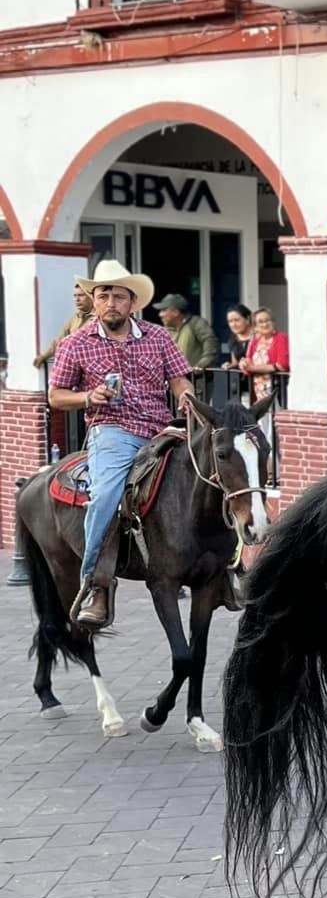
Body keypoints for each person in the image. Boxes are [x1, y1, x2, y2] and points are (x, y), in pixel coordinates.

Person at [47, 260, 192, 630]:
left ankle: (222, 568)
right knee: (106, 494)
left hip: (162, 428)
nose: (111, 301)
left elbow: (179, 380)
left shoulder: (159, 337)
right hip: (112, 430)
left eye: (119, 296)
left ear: (133, 303)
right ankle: (97, 583)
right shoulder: (75, 344)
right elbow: (56, 396)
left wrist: (186, 398)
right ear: (94, 302)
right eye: (103, 295)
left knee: (213, 472)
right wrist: (87, 397)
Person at [34, 281, 93, 368]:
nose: (77, 299)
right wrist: (44, 356)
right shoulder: (75, 318)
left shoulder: (99, 318)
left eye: (81, 295)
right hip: (75, 366)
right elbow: (60, 340)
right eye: (75, 296)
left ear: (90, 296)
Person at [156, 291, 219, 370]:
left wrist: (202, 364)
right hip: (175, 380)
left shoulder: (196, 323)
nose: (160, 314)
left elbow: (210, 341)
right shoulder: (165, 331)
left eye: (164, 310)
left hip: (197, 379)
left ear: (175, 312)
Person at [238, 307, 289, 384]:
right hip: (256, 389)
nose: (265, 324)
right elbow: (247, 368)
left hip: (276, 388)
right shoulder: (254, 342)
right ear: (255, 327)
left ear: (273, 323)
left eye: (267, 320)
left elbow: (282, 365)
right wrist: (243, 365)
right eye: (260, 322)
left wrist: (253, 368)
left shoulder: (281, 338)